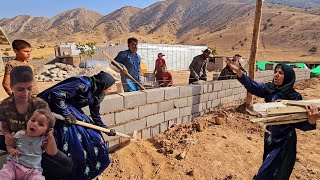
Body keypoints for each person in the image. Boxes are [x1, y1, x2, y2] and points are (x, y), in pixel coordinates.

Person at [226, 61, 318, 180]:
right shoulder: (270, 90)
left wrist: (311, 121)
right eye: (275, 72)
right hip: (270, 138)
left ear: (288, 77)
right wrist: (239, 72)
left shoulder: (294, 97)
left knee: (268, 174)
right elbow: (253, 86)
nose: (276, 75)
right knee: (270, 171)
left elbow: (299, 122)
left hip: (284, 142)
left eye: (280, 73)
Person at [37, 71, 117, 180]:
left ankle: (90, 172)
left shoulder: (97, 94)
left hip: (70, 110)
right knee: (74, 139)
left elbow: (96, 115)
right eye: (109, 87)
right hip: (52, 107)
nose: (110, 90)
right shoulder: (83, 84)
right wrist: (66, 113)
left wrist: (105, 129)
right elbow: (57, 94)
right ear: (103, 84)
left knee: (93, 136)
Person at [0, 66, 73, 180]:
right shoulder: (5, 105)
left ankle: (34, 172)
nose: (26, 94)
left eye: (29, 89)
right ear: (11, 87)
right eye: (20, 89)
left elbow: (47, 131)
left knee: (65, 164)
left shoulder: (40, 105)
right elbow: (4, 127)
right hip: (16, 140)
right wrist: (7, 135)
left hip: (36, 142)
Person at [0, 109, 57, 180]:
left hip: (32, 170)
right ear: (28, 121)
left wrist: (50, 136)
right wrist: (11, 150)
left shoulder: (43, 140)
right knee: (4, 174)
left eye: (41, 124)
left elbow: (52, 152)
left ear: (47, 131)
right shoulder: (19, 134)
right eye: (33, 120)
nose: (35, 124)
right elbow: (10, 145)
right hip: (14, 165)